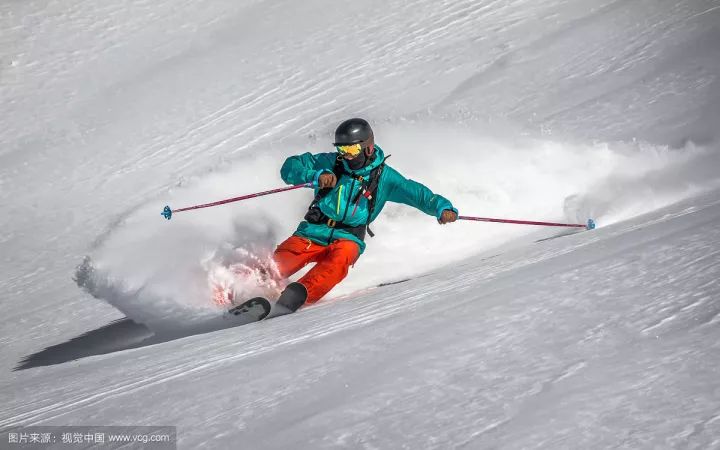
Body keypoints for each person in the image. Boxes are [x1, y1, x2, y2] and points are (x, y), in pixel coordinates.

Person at [271, 118, 458, 314]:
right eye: (341, 150)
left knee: (339, 260)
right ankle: (245, 289)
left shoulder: (385, 177)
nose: (346, 156)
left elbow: (418, 194)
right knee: (276, 266)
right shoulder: (330, 163)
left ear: (368, 148)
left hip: (348, 237)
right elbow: (290, 166)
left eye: (350, 151)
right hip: (312, 231)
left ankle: (297, 297)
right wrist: (313, 175)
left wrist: (442, 208)